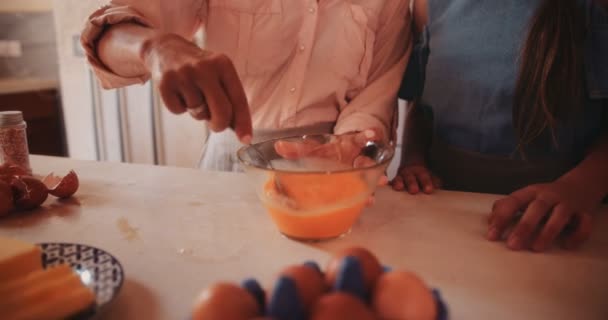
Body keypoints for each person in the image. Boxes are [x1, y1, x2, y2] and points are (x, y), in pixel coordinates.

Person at [80, 0, 413, 172]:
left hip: (330, 172)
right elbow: (111, 33)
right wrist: (154, 48)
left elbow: (375, 96)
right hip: (228, 165)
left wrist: (353, 144)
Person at [392, 0, 608, 252]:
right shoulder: (426, 4)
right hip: (443, 217)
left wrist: (579, 187)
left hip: (556, 231)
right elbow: (422, 98)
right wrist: (413, 159)